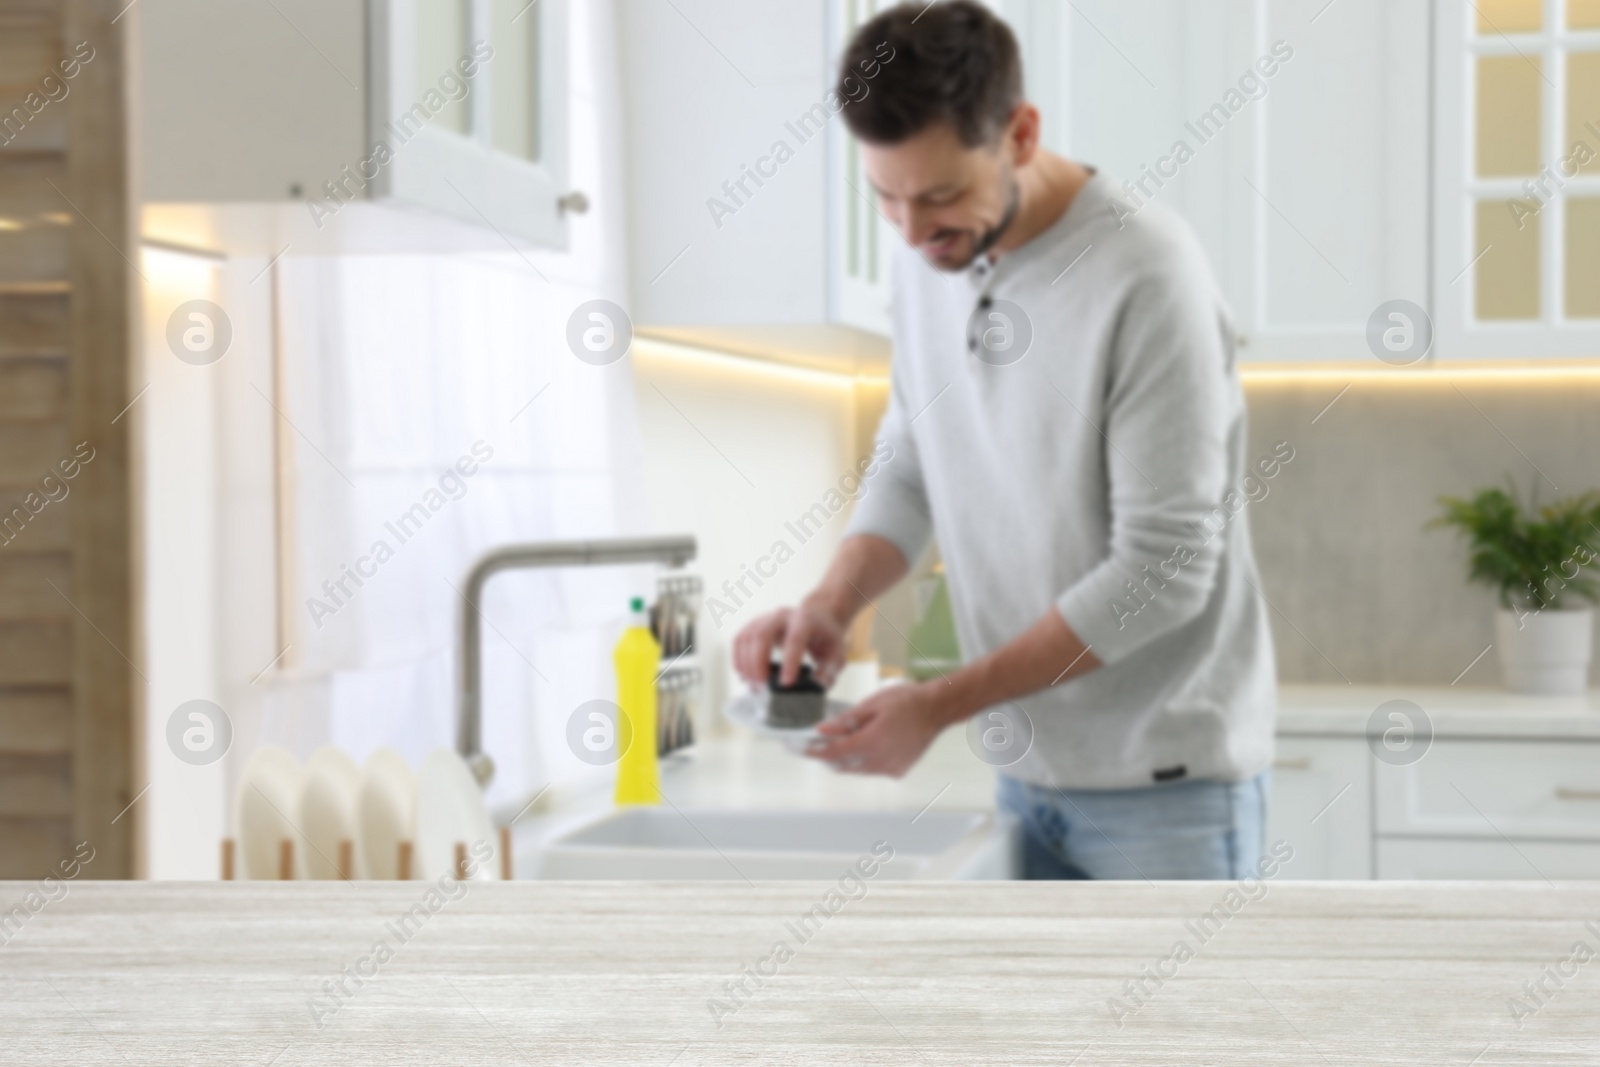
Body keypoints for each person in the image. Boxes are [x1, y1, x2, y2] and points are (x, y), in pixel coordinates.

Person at [731, 0, 1277, 880]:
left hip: (1165, 792)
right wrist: (833, 604)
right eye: (886, 197)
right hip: (1026, 775)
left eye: (941, 196)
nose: (911, 232)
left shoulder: (1147, 274)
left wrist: (940, 704)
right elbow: (911, 461)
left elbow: (1163, 574)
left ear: (1021, 134)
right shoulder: (928, 262)